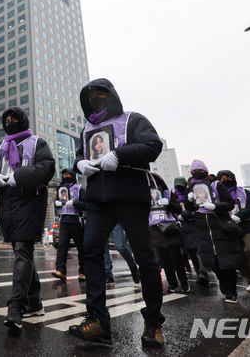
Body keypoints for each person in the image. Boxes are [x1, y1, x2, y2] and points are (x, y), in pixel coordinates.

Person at [68, 78, 164, 348]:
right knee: (90, 251)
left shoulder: (132, 119)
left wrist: (120, 155)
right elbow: (77, 156)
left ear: (111, 95)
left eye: (101, 95)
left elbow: (153, 145)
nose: (96, 101)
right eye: (90, 98)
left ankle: (154, 322)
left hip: (131, 196)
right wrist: (79, 164)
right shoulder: (87, 129)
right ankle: (98, 320)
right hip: (98, 198)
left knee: (145, 257)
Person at [0, 107, 55, 335]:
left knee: (23, 249)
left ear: (22, 120)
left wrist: (19, 176)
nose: (9, 121)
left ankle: (16, 307)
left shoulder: (37, 143)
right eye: (6, 119)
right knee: (21, 251)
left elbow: (46, 169)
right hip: (7, 203)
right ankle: (35, 303)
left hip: (30, 203)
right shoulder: (1, 148)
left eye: (13, 118)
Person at [185, 165, 242, 304]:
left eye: (199, 170)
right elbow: (189, 209)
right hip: (203, 230)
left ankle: (231, 292)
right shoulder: (192, 187)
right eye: (193, 172)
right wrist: (189, 200)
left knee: (227, 263)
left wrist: (215, 206)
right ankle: (224, 287)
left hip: (220, 226)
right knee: (214, 263)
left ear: (205, 171)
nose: (196, 173)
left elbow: (229, 203)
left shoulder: (217, 184)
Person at [217, 170, 250, 296]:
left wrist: (239, 215)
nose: (225, 181)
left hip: (247, 225)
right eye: (222, 179)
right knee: (240, 255)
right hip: (230, 228)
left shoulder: (244, 192)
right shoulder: (218, 195)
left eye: (227, 178)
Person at [148, 186, 188, 294]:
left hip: (169, 227)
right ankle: (173, 284)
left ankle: (184, 283)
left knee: (176, 258)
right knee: (164, 260)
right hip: (155, 229)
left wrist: (168, 203)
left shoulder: (168, 193)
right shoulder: (144, 194)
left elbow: (178, 209)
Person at [52, 169, 86, 282]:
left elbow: (86, 204)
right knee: (62, 246)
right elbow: (58, 203)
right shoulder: (60, 189)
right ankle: (61, 271)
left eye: (68, 175)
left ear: (73, 176)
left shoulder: (79, 188)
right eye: (64, 175)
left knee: (81, 247)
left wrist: (75, 203)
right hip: (64, 221)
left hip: (76, 220)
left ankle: (83, 272)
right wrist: (56, 204)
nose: (66, 176)